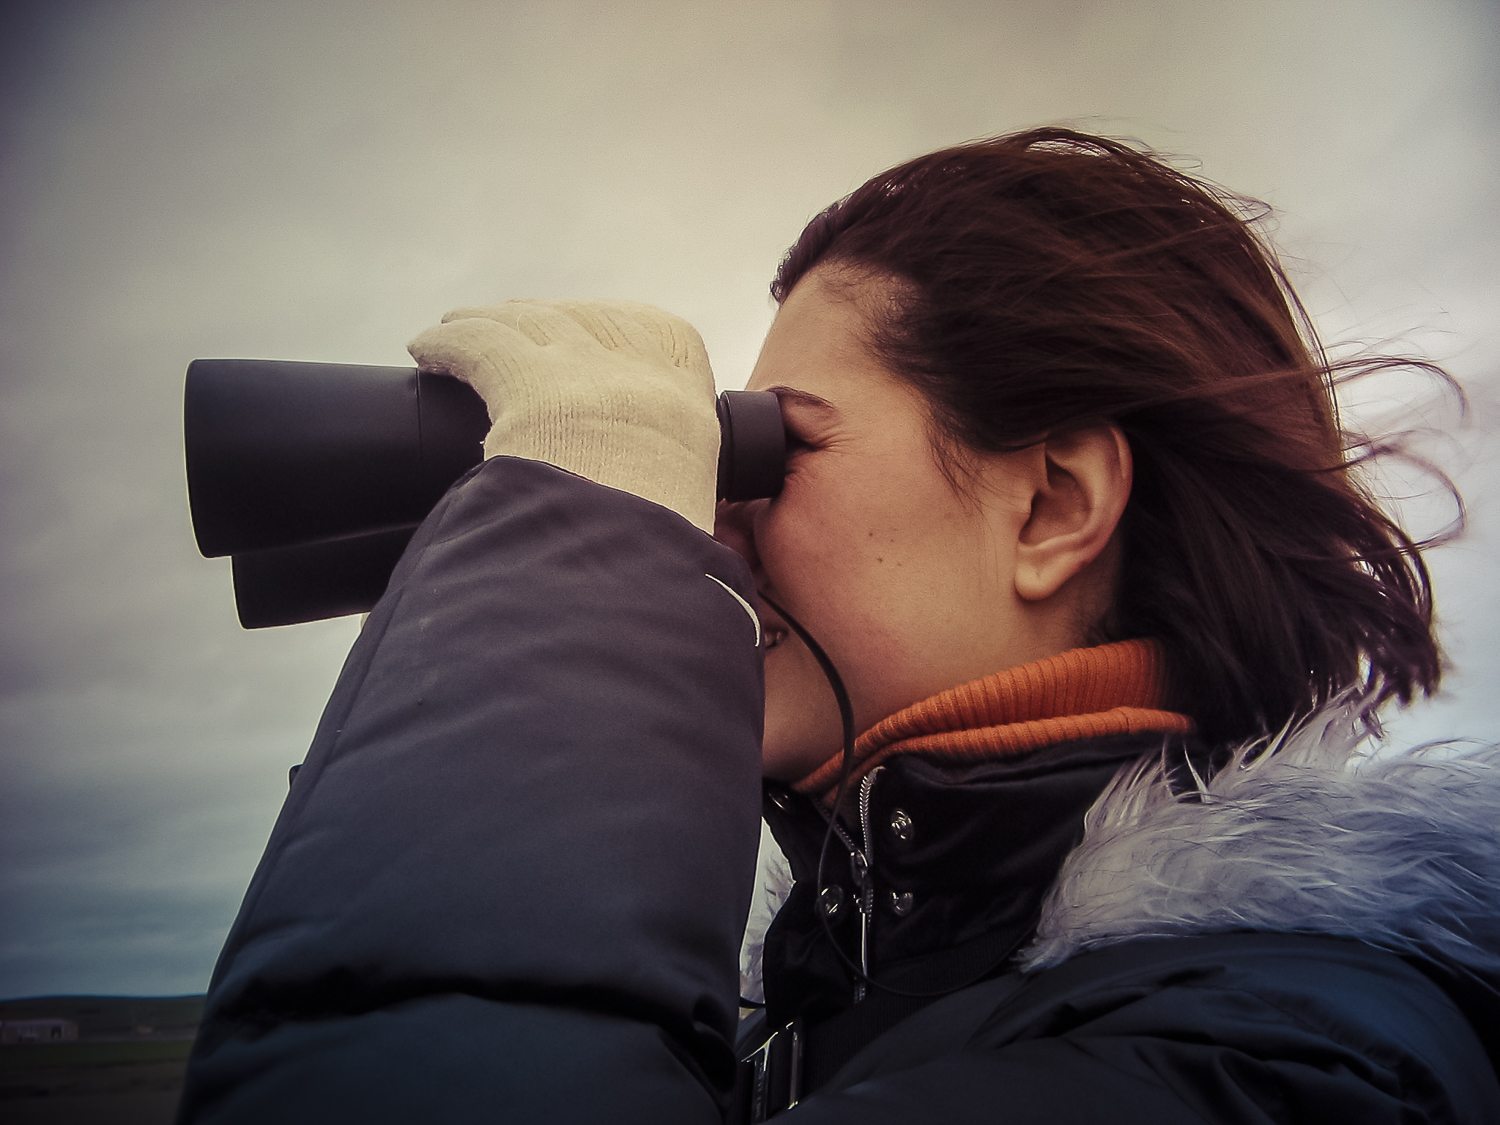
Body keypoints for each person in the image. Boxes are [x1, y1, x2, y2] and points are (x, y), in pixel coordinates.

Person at [177, 128, 1500, 1123]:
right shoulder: (842, 994)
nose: (713, 515)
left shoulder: (1272, 1065)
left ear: (1049, 502)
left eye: (768, 446)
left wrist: (569, 575)